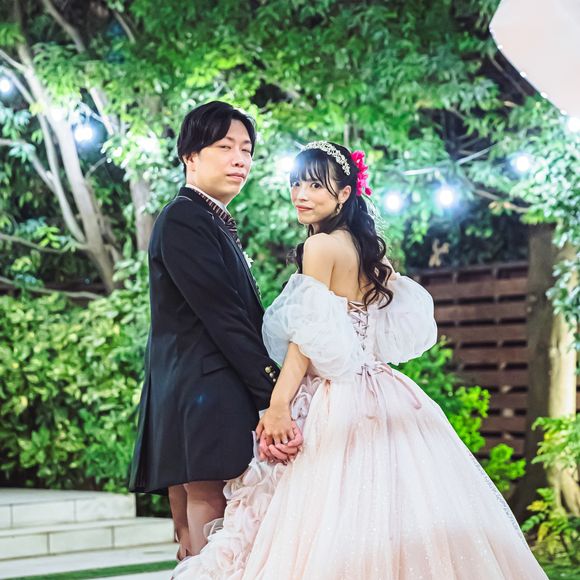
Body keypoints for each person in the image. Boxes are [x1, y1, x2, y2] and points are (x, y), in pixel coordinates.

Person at [172, 141, 548, 579]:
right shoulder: (368, 251)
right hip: (385, 389)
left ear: (345, 193)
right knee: (392, 513)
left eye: (316, 185)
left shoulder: (320, 248)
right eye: (296, 184)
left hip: (337, 397)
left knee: (327, 516)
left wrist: (278, 405)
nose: (301, 194)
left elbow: (306, 340)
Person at [128, 101, 299, 560]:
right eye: (225, 147)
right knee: (210, 520)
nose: (239, 159)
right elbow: (224, 317)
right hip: (203, 392)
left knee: (197, 535)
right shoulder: (186, 218)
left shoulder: (205, 218)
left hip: (196, 390)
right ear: (190, 155)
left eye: (246, 150)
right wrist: (274, 392)